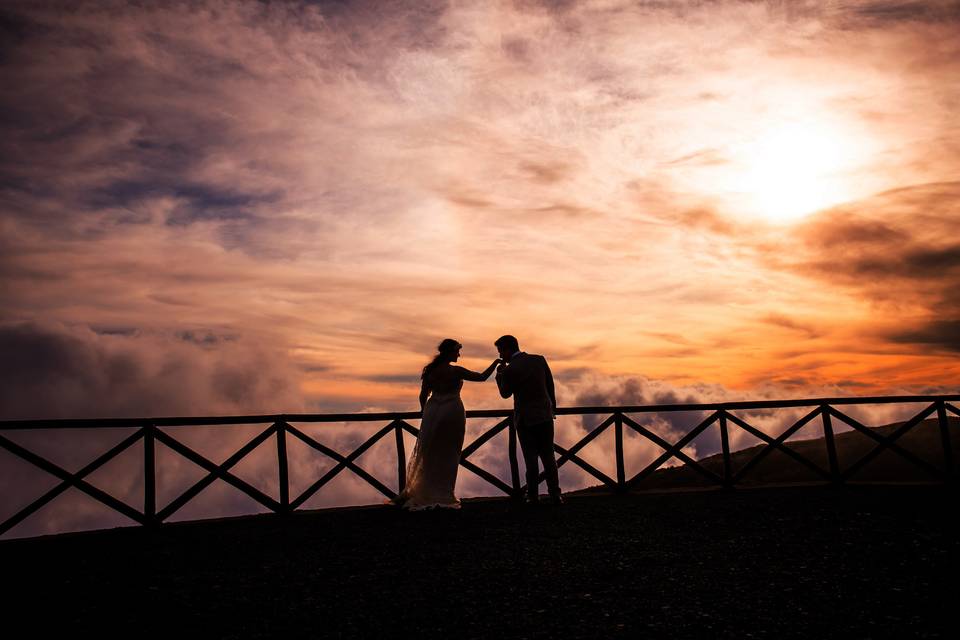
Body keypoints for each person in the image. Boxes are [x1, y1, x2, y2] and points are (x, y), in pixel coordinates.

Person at [393, 339, 500, 510]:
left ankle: (426, 491)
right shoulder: (455, 371)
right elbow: (481, 377)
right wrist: (495, 363)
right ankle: (444, 493)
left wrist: (424, 412)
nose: (459, 354)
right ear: (450, 352)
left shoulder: (430, 371)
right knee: (449, 453)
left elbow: (423, 396)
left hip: (432, 412)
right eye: (457, 351)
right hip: (452, 412)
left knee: (429, 454)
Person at [494, 335, 562, 505]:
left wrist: (499, 375)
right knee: (549, 457)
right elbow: (550, 385)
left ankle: (533, 496)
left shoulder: (510, 369)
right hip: (545, 415)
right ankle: (555, 495)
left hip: (525, 419)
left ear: (508, 349)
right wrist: (551, 408)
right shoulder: (539, 360)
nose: (501, 356)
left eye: (501, 351)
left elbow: (505, 393)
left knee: (531, 459)